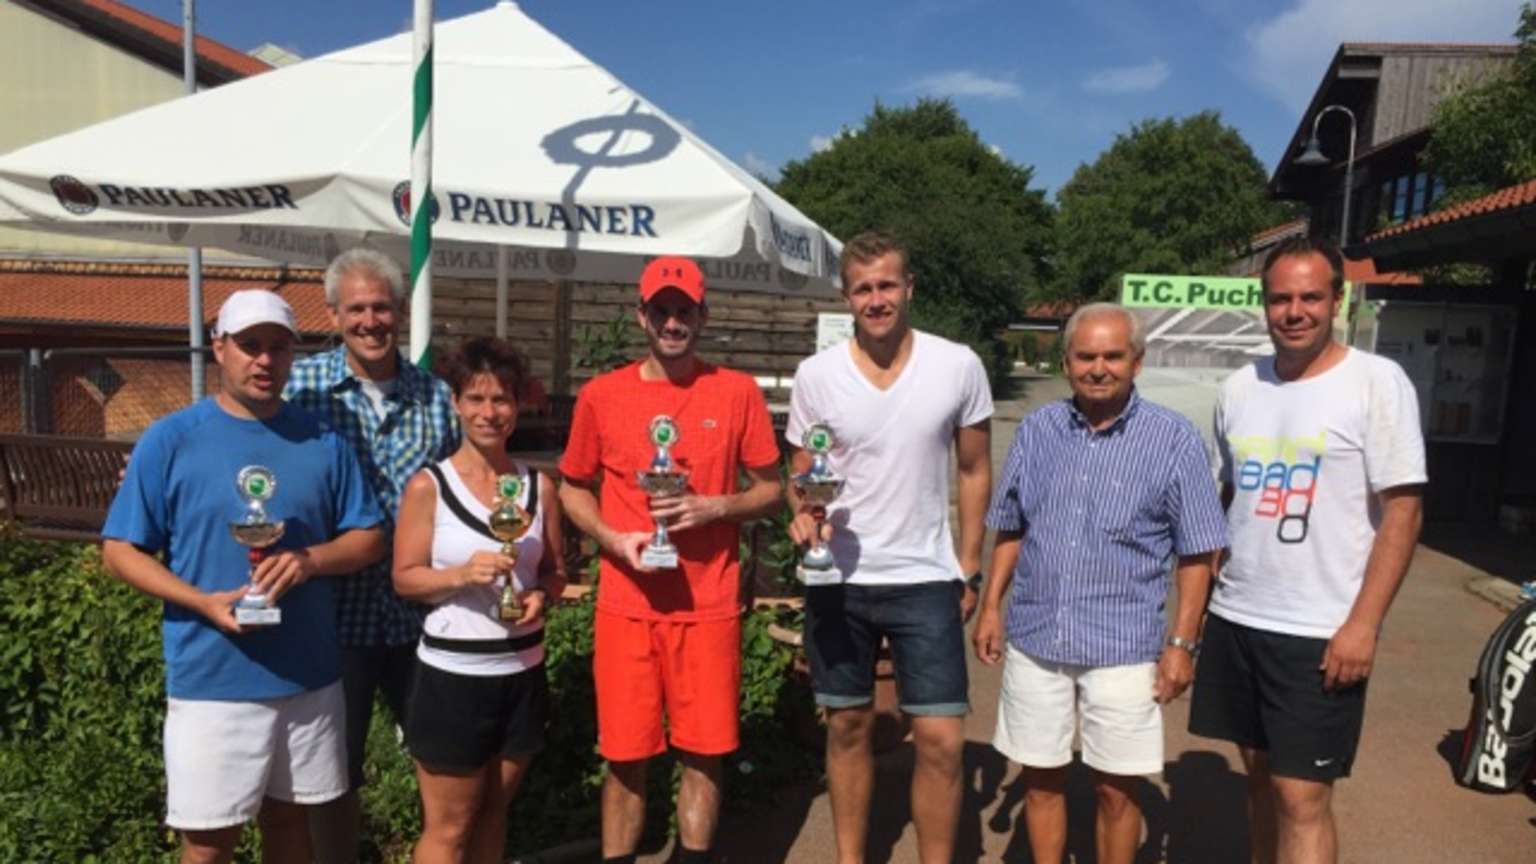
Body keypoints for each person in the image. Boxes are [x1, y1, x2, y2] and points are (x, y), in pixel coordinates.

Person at [101, 289, 385, 864]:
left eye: (278, 348)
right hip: (213, 678)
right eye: (250, 345)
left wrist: (310, 561)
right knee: (209, 843)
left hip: (308, 674)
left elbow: (370, 537)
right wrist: (202, 602)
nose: (264, 360)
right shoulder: (171, 438)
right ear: (219, 347)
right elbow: (120, 550)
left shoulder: (323, 440)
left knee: (290, 824)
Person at [1189, 236, 1426, 864]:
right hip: (1239, 618)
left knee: (1302, 798)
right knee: (1259, 779)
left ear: (1337, 300)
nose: (1294, 312)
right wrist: (1205, 598)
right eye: (1280, 299)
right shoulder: (1239, 388)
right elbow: (1227, 498)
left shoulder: (1376, 382)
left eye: (1310, 298)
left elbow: (1403, 511)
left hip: (1321, 629)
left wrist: (1364, 624)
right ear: (1263, 304)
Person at [972, 302, 1228, 864]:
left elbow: (1197, 552)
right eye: (1085, 356)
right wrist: (991, 605)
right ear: (1066, 362)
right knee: (1041, 780)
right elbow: (1011, 526)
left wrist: (1182, 644)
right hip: (1037, 637)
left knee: (1117, 790)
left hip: (1124, 648)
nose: (1098, 368)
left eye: (1113, 356)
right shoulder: (1038, 431)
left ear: (1137, 362)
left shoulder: (1174, 440)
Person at [558, 256, 782, 864]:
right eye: (662, 310)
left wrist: (718, 507)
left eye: (684, 311)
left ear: (703, 316)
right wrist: (612, 539)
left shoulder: (736, 392)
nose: (673, 322)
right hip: (627, 606)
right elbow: (572, 487)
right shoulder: (603, 395)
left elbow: (772, 489)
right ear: (642, 316)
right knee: (625, 757)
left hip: (707, 605)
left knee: (704, 754)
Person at [785, 230, 992, 864]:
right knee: (849, 727)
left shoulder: (957, 365)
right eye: (862, 288)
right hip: (839, 578)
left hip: (924, 576)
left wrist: (969, 564)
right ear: (846, 297)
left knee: (941, 740)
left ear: (909, 288)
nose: (876, 299)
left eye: (886, 285)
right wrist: (803, 516)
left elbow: (974, 469)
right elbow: (803, 473)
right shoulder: (817, 375)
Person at [285, 247, 460, 862]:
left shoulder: (436, 398)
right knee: (333, 769)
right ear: (334, 315)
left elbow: (465, 485)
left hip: (421, 617)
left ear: (401, 313)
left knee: (442, 758)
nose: (370, 321)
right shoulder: (300, 389)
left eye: (381, 308)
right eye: (356, 309)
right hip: (332, 616)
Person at [392, 338, 565, 864]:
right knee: (450, 828)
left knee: (494, 814)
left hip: (522, 672)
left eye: (501, 399)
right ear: (456, 403)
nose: (489, 413)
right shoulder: (429, 486)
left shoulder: (539, 487)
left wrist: (541, 595)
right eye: (476, 398)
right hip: (454, 678)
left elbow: (556, 572)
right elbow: (404, 579)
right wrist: (461, 575)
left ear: (518, 404)